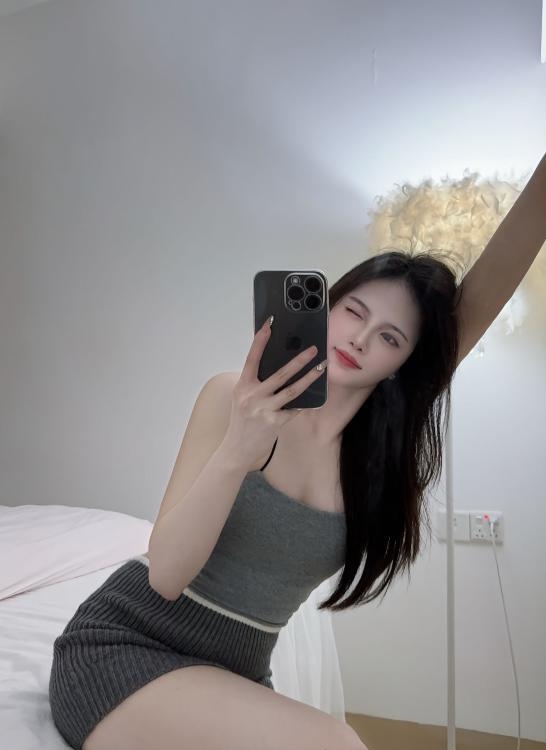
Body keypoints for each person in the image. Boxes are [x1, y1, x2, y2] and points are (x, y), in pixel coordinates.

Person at [48, 152, 545, 750]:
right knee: (338, 743)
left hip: (231, 677)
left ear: (403, 363)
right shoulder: (231, 399)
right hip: (126, 646)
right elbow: (166, 575)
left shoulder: (377, 452)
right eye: (354, 312)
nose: (361, 339)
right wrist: (238, 450)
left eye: (389, 337)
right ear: (326, 308)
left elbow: (496, 275)